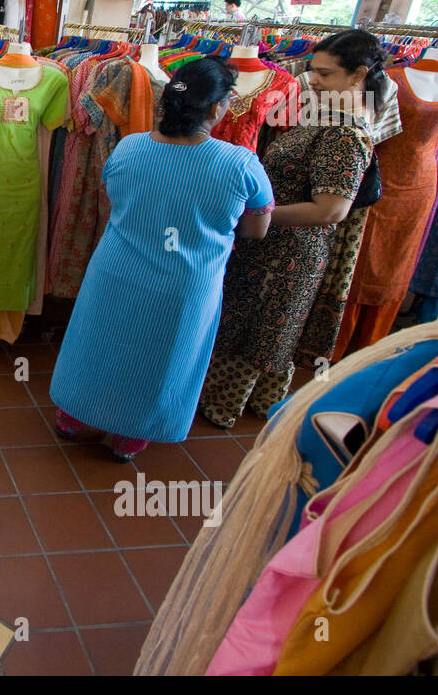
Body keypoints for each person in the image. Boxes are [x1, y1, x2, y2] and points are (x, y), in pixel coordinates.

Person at [49, 58, 274, 462]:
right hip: (182, 283)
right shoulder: (240, 164)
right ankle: (130, 436)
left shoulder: (130, 147)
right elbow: (256, 229)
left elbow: (116, 196)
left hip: (117, 269)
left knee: (96, 341)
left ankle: (72, 414)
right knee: (160, 355)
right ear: (215, 108)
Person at [198, 29, 382, 428]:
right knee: (260, 326)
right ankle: (256, 402)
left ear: (358, 75)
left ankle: (224, 405)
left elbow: (331, 210)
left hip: (288, 252)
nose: (313, 79)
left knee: (260, 330)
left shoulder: (344, 135)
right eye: (313, 70)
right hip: (271, 244)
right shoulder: (326, 116)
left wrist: (258, 215)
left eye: (325, 73)